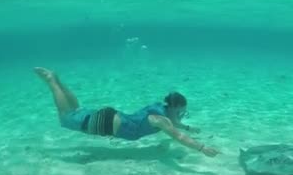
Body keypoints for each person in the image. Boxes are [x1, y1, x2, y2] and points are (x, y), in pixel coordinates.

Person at [34, 67, 219, 157]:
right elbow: (177, 136)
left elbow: (176, 124)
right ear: (173, 108)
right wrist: (202, 148)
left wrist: (189, 127)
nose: (180, 116)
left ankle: (57, 80)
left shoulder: (162, 108)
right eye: (181, 113)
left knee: (76, 110)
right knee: (65, 118)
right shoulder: (161, 119)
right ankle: (51, 81)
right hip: (107, 122)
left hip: (110, 117)